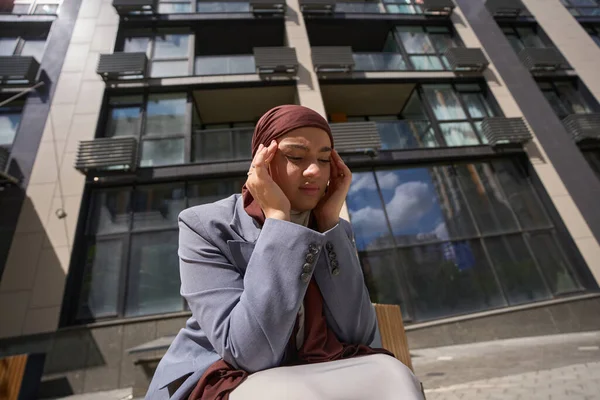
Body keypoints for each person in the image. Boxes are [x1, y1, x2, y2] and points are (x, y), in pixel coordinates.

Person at [145, 105, 423, 400]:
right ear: (261, 163)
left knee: (396, 378)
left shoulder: (335, 229)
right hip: (228, 372)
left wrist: (329, 224)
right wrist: (279, 220)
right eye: (296, 156)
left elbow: (359, 336)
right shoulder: (204, 226)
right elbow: (249, 353)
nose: (315, 170)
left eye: (325, 158)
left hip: (323, 364)